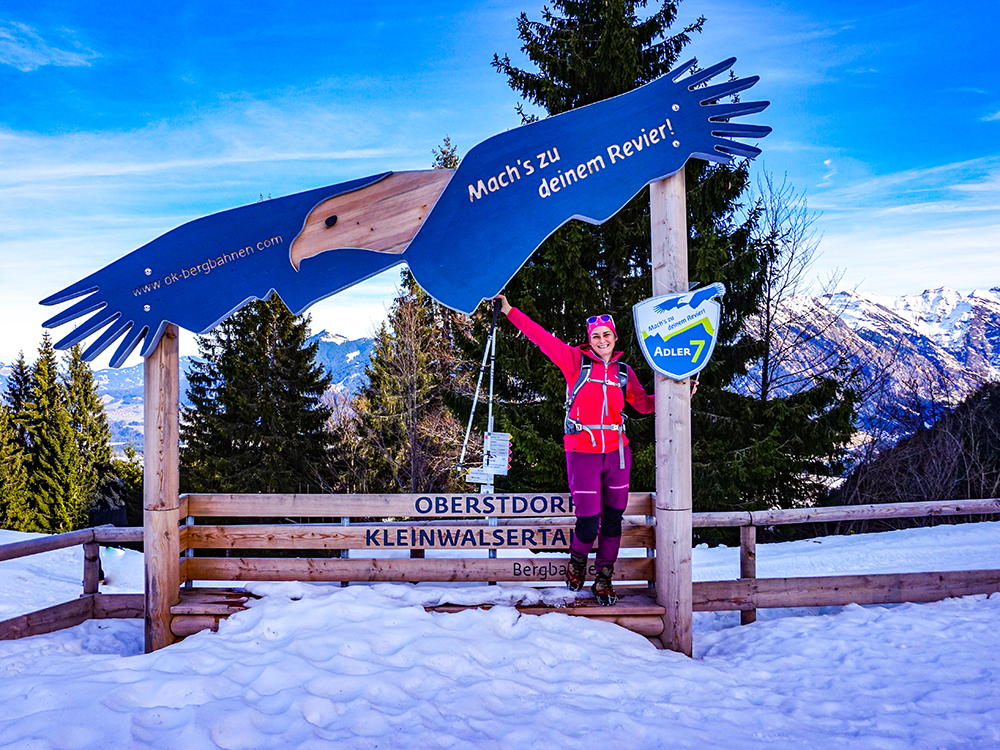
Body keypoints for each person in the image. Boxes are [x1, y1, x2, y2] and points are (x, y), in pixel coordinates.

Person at [496, 294, 655, 605]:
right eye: (596, 336)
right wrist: (510, 311)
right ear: (590, 340)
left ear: (614, 337)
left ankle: (604, 577)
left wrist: (680, 394)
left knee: (613, 520)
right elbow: (542, 338)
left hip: (617, 453)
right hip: (582, 451)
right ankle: (578, 562)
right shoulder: (575, 362)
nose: (602, 340)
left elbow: (645, 403)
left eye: (606, 335)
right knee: (588, 519)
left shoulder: (623, 372)